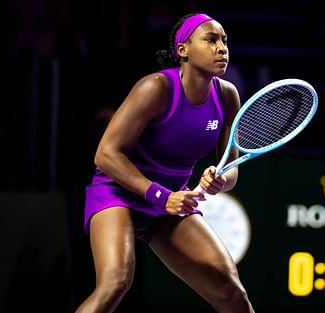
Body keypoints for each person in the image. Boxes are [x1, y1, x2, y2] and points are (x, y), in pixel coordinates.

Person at [75, 12, 255, 313]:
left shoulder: (227, 96)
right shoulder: (155, 88)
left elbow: (231, 169)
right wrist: (161, 195)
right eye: (210, 40)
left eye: (224, 41)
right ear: (182, 49)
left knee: (231, 291)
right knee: (115, 282)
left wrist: (220, 178)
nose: (221, 48)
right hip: (118, 194)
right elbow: (105, 155)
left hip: (172, 203)